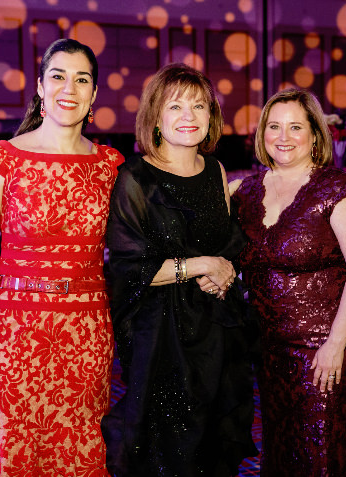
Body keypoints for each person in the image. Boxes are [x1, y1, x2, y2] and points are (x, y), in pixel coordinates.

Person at [0, 38, 124, 476]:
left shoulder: (110, 166)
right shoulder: (0, 160)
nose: (68, 88)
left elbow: (138, 244)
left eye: (81, 79)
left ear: (93, 95)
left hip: (86, 334)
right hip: (15, 333)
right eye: (58, 76)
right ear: (39, 86)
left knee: (80, 445)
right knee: (11, 446)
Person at [101, 63, 258, 476]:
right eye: (176, 106)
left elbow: (227, 244)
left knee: (212, 441)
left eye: (199, 105)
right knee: (169, 447)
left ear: (211, 117)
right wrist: (202, 264)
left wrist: (224, 271)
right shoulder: (134, 177)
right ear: (155, 116)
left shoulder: (215, 171)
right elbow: (128, 267)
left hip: (215, 326)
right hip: (161, 334)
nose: (188, 116)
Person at [230, 88, 346, 476]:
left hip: (323, 350)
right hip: (270, 351)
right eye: (274, 126)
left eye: (295, 127)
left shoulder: (340, 192)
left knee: (322, 456)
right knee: (283, 452)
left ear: (315, 135)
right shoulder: (244, 191)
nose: (283, 136)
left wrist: (335, 344)